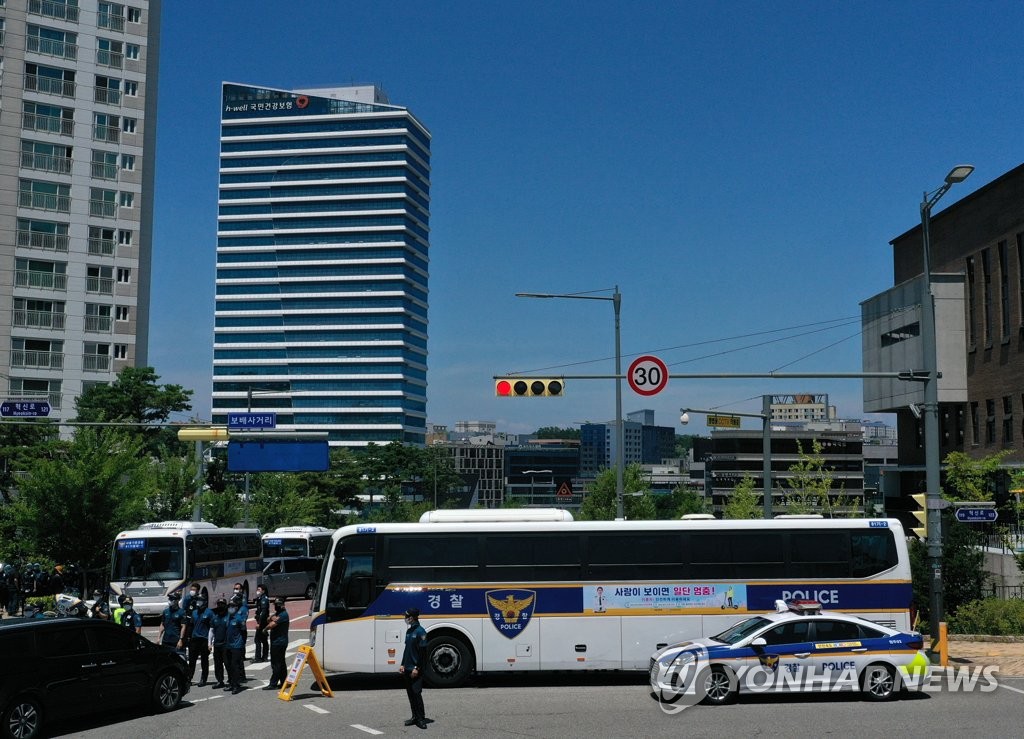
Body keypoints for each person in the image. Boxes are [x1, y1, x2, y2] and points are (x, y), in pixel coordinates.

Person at [399, 607, 429, 729]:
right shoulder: (409, 631)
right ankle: (414, 716)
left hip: (415, 669)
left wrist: (417, 668)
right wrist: (402, 664)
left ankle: (421, 718)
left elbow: (423, 654)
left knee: (417, 693)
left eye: (407, 616)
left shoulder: (421, 632)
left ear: (412, 617)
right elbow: (407, 650)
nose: (405, 618)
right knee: (410, 694)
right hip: (407, 668)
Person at [263, 597, 289, 690]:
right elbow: (268, 619)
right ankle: (284, 682)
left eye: (277, 605)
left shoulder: (283, 615)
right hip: (277, 642)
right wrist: (272, 618)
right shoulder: (278, 614)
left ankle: (273, 683)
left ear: (282, 605)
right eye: (275, 605)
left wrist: (265, 629)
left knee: (276, 663)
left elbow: (271, 624)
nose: (276, 607)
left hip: (279, 642)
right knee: (281, 663)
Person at [188, 595, 214, 686]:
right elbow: (191, 625)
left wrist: (210, 642)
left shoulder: (209, 613)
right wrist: (188, 638)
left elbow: (212, 627)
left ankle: (203, 679)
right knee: (192, 660)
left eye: (200, 600)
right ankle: (189, 678)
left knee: (204, 660)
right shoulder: (194, 612)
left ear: (205, 602)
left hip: (204, 639)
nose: (198, 602)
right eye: (197, 600)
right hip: (194, 639)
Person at [225, 595, 247, 694]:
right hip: (228, 645)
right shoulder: (227, 617)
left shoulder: (239, 619)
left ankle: (236, 685)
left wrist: (241, 644)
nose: (230, 608)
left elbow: (243, 632)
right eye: (229, 606)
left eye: (232, 606)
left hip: (237, 646)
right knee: (229, 665)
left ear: (236, 607)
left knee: (235, 666)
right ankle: (231, 683)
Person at [207, 598, 229, 689]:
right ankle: (220, 681)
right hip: (217, 644)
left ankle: (232, 681)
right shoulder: (215, 618)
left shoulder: (228, 617)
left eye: (222, 604)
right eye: (219, 604)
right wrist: (209, 643)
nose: (220, 606)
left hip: (226, 645)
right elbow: (211, 631)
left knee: (228, 664)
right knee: (218, 664)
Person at [253, 584, 271, 663]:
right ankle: (264, 657)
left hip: (262, 623)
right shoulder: (260, 598)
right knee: (263, 640)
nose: (257, 591)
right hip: (262, 622)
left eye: (259, 589)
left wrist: (259, 623)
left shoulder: (264, 599)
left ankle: (258, 658)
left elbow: (263, 613)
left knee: (258, 640)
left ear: (263, 591)